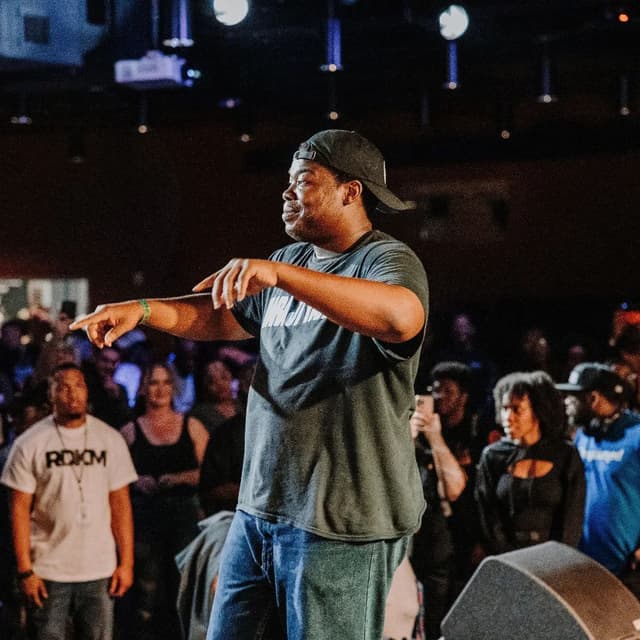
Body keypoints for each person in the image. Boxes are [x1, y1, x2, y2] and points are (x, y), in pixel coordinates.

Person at [70, 128, 429, 640]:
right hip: (261, 508)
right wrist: (145, 309)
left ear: (351, 191)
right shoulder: (291, 261)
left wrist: (281, 277)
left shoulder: (385, 260)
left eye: (303, 181)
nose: (287, 193)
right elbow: (221, 316)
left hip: (339, 521)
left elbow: (402, 317)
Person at [0, 363, 137, 640]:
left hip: (99, 568)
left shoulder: (109, 439)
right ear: (51, 395)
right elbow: (19, 510)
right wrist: (25, 570)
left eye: (78, 386)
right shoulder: (30, 443)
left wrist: (127, 563)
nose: (72, 394)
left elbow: (121, 505)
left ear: (87, 391)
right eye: (63, 387)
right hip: (48, 568)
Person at [120, 362, 209, 640]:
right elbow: (114, 476)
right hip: (145, 518)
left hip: (184, 516)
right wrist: (136, 480)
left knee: (183, 586)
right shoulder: (130, 431)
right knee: (146, 590)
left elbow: (209, 472)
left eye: (165, 382)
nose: (159, 389)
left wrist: (180, 478)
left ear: (173, 387)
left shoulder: (192, 426)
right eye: (153, 383)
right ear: (143, 388)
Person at [476, 371, 585, 555]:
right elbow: (488, 515)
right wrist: (504, 554)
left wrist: (560, 559)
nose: (508, 417)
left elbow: (572, 518)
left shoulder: (565, 455)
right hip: (507, 557)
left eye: (517, 409)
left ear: (538, 411)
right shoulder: (493, 456)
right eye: (504, 408)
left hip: (553, 558)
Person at [556, 362, 640, 598]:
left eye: (573, 397)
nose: (566, 403)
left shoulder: (636, 434)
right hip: (584, 563)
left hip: (627, 567)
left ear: (593, 398)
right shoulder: (584, 436)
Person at [409, 392, 467, 640]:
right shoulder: (396, 445)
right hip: (403, 555)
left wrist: (435, 437)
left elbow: (455, 489)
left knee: (435, 625)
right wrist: (406, 439)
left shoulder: (439, 446)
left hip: (435, 553)